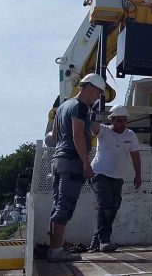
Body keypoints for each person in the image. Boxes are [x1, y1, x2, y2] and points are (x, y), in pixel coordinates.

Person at [47, 73, 106, 262]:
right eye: (97, 93)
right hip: (72, 161)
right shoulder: (80, 107)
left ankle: (53, 248)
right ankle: (56, 251)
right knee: (65, 206)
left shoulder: (63, 107)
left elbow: (55, 136)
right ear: (89, 88)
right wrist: (86, 163)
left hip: (59, 160)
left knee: (58, 204)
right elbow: (78, 136)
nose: (97, 98)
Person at [88, 105, 142, 253]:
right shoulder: (103, 130)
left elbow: (135, 155)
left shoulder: (130, 135)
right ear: (112, 120)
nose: (122, 124)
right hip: (99, 174)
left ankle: (96, 240)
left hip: (117, 177)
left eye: (125, 121)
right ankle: (104, 241)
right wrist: (92, 111)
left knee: (114, 207)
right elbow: (91, 125)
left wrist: (138, 174)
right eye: (119, 120)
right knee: (104, 206)